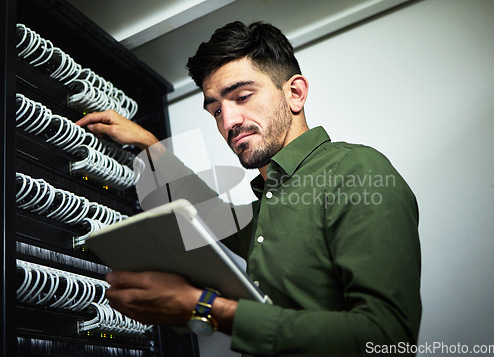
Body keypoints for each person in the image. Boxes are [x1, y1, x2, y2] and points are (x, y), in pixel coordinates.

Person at [76, 21, 421, 356]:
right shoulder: (271, 202)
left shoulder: (356, 171)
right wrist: (150, 145)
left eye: (242, 96)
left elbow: (387, 338)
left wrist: (205, 308)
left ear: (295, 93)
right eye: (215, 111)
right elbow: (210, 217)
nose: (228, 123)